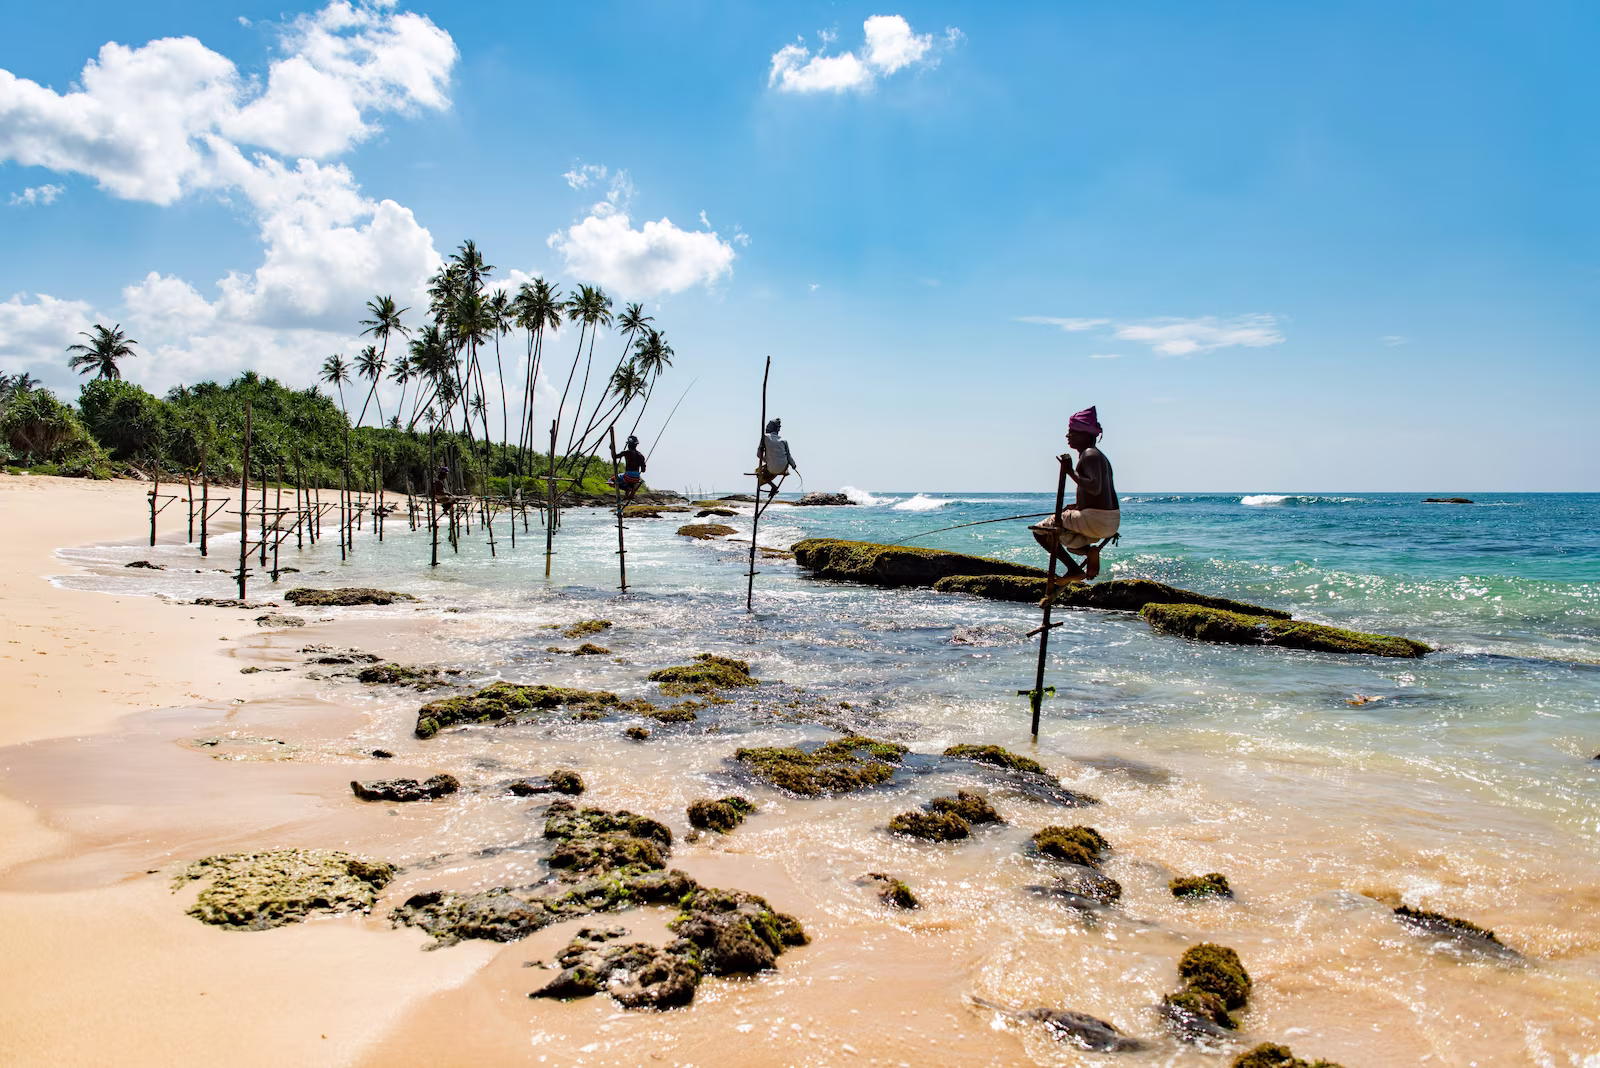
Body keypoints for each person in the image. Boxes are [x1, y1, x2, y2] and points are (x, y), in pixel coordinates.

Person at [1030, 406, 1119, 595]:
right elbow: (1100, 493)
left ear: (1085, 434)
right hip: (1108, 522)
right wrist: (1079, 506)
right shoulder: (1099, 457)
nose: (1067, 436)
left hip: (1094, 519)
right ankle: (1089, 552)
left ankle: (1074, 570)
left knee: (1040, 531)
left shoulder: (1089, 454)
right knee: (1071, 543)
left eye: (1072, 432)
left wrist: (1069, 471)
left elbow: (1094, 487)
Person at [755, 418, 798, 497]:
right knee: (772, 469)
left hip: (771, 468)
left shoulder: (765, 437)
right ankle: (774, 486)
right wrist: (794, 465)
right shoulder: (784, 440)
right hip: (783, 468)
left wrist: (767, 460)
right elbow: (788, 456)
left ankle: (772, 486)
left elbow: (759, 454)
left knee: (758, 471)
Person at [610, 435, 648, 507]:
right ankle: (629, 492)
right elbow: (643, 470)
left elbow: (614, 457)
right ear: (636, 445)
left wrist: (611, 449)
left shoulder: (626, 453)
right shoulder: (641, 455)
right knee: (629, 480)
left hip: (628, 476)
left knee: (612, 479)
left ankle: (627, 490)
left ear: (628, 445)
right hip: (636, 478)